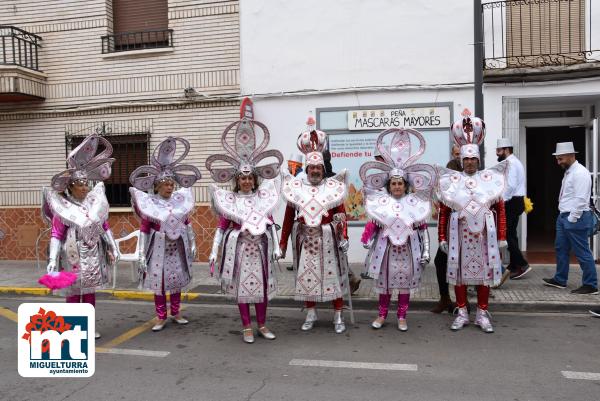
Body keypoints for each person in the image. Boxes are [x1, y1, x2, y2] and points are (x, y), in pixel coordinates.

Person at [206, 116, 283, 343]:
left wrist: (277, 246)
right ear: (237, 180)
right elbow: (221, 228)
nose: (247, 181)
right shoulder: (229, 201)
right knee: (243, 288)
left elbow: (270, 223)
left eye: (250, 177)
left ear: (255, 179)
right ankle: (246, 326)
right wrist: (214, 250)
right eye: (243, 178)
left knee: (262, 288)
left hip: (261, 249)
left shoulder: (263, 199)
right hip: (239, 249)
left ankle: (262, 323)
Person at [437, 109, 508, 333]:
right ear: (461, 159)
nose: (469, 163)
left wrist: (503, 236)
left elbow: (500, 208)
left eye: (472, 159)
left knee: (483, 276)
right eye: (465, 159)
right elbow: (444, 211)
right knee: (460, 275)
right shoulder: (452, 181)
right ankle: (462, 312)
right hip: (459, 236)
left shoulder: (490, 181)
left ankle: (482, 313)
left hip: (484, 236)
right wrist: (441, 237)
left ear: (478, 160)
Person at [279, 116, 351, 334]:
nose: (315, 171)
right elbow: (288, 217)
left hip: (329, 237)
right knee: (308, 276)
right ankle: (311, 312)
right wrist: (282, 245)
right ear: (307, 169)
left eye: (319, 168)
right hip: (305, 238)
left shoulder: (333, 187)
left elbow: (341, 214)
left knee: (334, 276)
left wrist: (344, 236)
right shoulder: (296, 188)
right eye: (312, 168)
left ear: (323, 168)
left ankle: (338, 313)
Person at [44, 133, 120, 339]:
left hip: (93, 251)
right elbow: (56, 234)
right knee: (72, 292)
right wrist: (52, 260)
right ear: (71, 186)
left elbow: (104, 226)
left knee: (89, 292)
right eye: (81, 183)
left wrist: (113, 247)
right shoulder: (63, 207)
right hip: (71, 254)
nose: (86, 187)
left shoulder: (94, 203)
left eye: (87, 183)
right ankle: (73, 328)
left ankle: (88, 326)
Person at [360, 128, 435, 331]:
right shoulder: (381, 203)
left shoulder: (414, 203)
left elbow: (422, 228)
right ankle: (382, 315)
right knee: (384, 285)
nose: (396, 186)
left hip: (408, 250)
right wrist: (366, 239)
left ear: (406, 185)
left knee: (404, 285)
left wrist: (426, 250)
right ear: (388, 185)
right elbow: (373, 224)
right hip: (386, 250)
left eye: (400, 183)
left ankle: (402, 316)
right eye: (393, 183)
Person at [129, 137, 201, 332]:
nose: (170, 187)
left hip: (177, 247)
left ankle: (176, 312)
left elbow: (187, 223)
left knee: (176, 280)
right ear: (158, 186)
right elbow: (144, 230)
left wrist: (193, 244)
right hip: (158, 249)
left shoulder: (180, 201)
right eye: (166, 184)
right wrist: (142, 254)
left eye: (171, 183)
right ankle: (161, 315)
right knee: (160, 283)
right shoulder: (149, 204)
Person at [543, 142, 598, 295]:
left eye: (561, 159)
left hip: (575, 217)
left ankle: (591, 284)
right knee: (561, 248)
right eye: (557, 158)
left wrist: (572, 219)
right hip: (564, 217)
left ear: (571, 156)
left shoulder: (580, 173)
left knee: (582, 252)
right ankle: (560, 280)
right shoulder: (569, 172)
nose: (558, 162)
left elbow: (581, 199)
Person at [431, 144, 463, 313]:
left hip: (463, 228)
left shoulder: (468, 173)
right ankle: (446, 299)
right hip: (451, 228)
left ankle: (460, 303)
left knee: (459, 265)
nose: (459, 156)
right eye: (456, 153)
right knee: (441, 261)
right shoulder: (452, 166)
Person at [494, 138, 530, 287]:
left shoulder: (510, 163)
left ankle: (522, 265)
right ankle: (515, 265)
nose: (497, 153)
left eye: (498, 151)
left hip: (512, 201)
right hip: (517, 201)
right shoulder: (515, 162)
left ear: (506, 150)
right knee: (512, 234)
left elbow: (511, 185)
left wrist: (501, 200)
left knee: (507, 234)